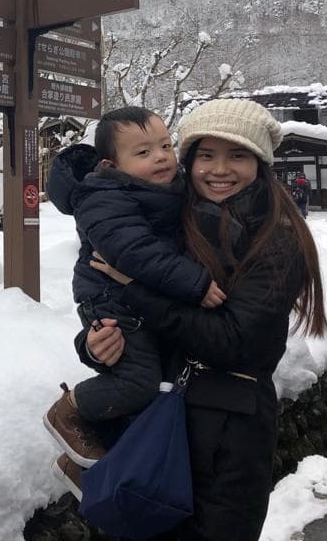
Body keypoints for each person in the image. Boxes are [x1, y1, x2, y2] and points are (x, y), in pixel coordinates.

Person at [77, 98, 327, 541]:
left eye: (237, 155)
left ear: (260, 163)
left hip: (230, 435)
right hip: (158, 420)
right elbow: (126, 309)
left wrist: (135, 286)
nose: (219, 169)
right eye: (205, 155)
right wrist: (95, 344)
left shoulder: (276, 240)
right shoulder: (174, 218)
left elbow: (232, 342)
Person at [44, 106, 225, 472]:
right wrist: (195, 283)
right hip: (112, 300)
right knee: (139, 383)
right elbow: (133, 252)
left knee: (156, 392)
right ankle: (70, 410)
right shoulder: (102, 197)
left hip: (146, 301)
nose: (160, 157)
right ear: (111, 166)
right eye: (143, 153)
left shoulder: (172, 189)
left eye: (165, 146)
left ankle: (106, 470)